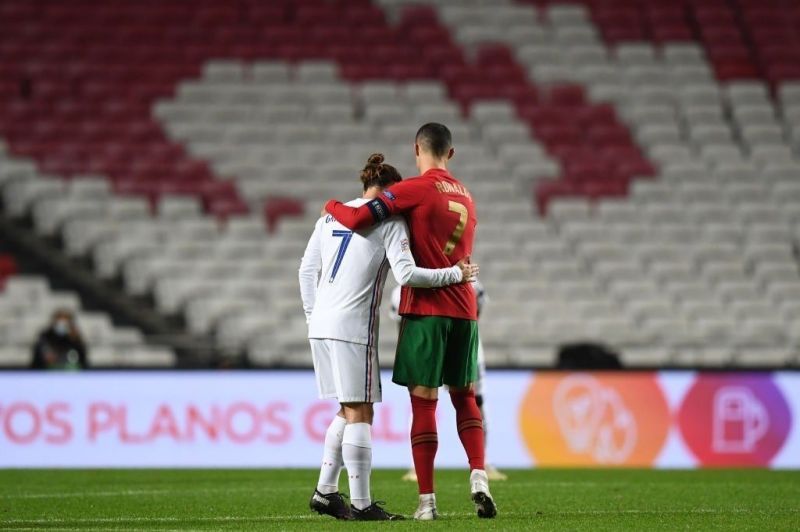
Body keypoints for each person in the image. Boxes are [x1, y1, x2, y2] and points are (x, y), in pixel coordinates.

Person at [324, 123, 497, 520]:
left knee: (424, 405)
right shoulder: (467, 196)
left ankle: (427, 502)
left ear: (416, 148)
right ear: (450, 154)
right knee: (465, 397)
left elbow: (357, 218)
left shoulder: (416, 189)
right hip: (465, 311)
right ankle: (478, 476)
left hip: (427, 311)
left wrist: (331, 205)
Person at [388, 280, 508, 482]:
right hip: (427, 345)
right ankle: (416, 466)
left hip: (461, 344)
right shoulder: (404, 287)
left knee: (472, 401)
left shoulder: (472, 283)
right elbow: (403, 325)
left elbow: (475, 315)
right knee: (427, 405)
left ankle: (482, 462)